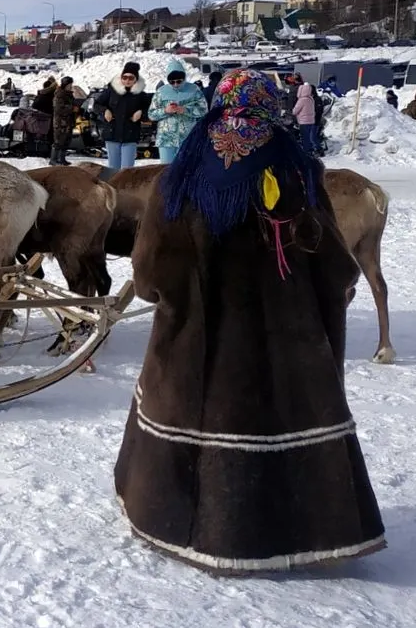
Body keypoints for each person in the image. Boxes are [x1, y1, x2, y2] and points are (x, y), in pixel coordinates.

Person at [115, 69, 385, 573]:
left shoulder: (179, 179)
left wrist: (173, 299)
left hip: (197, 349)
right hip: (288, 349)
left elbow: (150, 274)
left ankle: (183, 522)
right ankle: (299, 530)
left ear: (218, 105)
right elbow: (334, 263)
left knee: (192, 422)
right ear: (270, 107)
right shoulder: (299, 171)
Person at [148, 58, 208, 163]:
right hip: (166, 140)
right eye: (172, 82)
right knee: (166, 171)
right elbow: (151, 114)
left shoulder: (194, 90)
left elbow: (204, 110)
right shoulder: (161, 92)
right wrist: (165, 110)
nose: (176, 84)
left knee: (187, 171)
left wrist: (185, 110)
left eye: (179, 81)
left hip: (188, 139)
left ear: (184, 77)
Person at [97, 60, 149, 170]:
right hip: (112, 134)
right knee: (113, 169)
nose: (127, 80)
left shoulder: (140, 94)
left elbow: (150, 111)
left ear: (136, 79)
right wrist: (105, 111)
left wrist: (141, 113)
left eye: (131, 78)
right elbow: (96, 104)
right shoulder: (111, 91)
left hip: (130, 135)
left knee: (127, 170)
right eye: (124, 77)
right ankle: (112, 187)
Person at [50, 76, 78, 165]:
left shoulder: (69, 94)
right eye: (69, 84)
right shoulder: (59, 94)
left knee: (66, 141)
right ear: (65, 84)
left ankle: (62, 159)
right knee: (58, 141)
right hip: (61, 123)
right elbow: (58, 109)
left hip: (68, 122)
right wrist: (72, 108)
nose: (71, 86)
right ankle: (53, 160)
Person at [293, 81, 320, 154]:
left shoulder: (301, 100)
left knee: (305, 137)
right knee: (308, 136)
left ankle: (306, 152)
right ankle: (310, 150)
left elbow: (295, 110)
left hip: (303, 121)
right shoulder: (311, 99)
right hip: (311, 121)